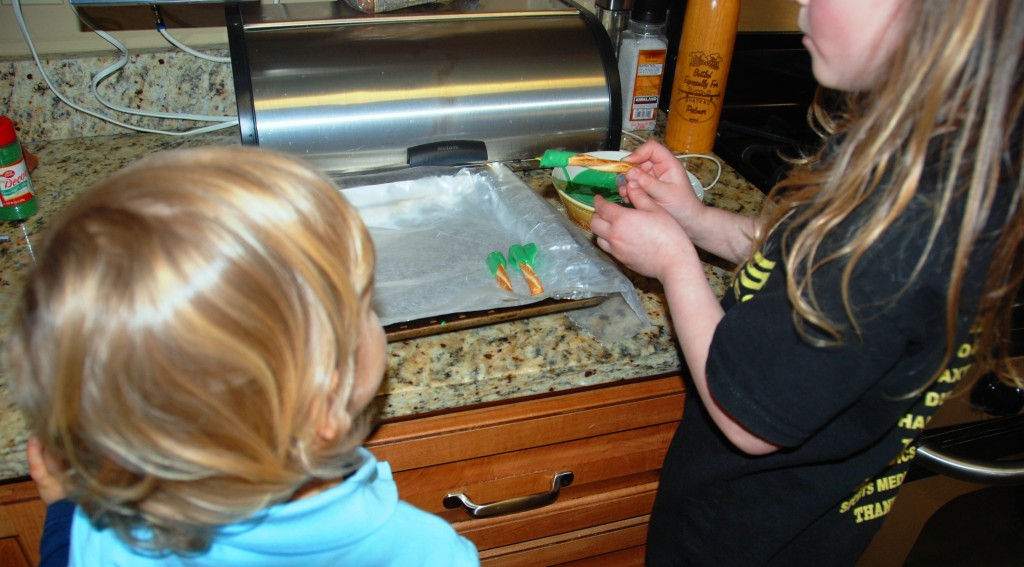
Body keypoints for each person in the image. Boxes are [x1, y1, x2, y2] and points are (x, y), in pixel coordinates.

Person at [589, 0, 1023, 564]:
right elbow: (804, 250)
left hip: (749, 535)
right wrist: (696, 221)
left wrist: (675, 263)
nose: (802, 5)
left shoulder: (904, 226)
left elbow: (746, 419)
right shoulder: (925, 153)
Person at [6, 147, 480, 566]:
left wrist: (65, 508)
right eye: (364, 304)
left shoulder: (104, 539)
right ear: (323, 409)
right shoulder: (423, 552)